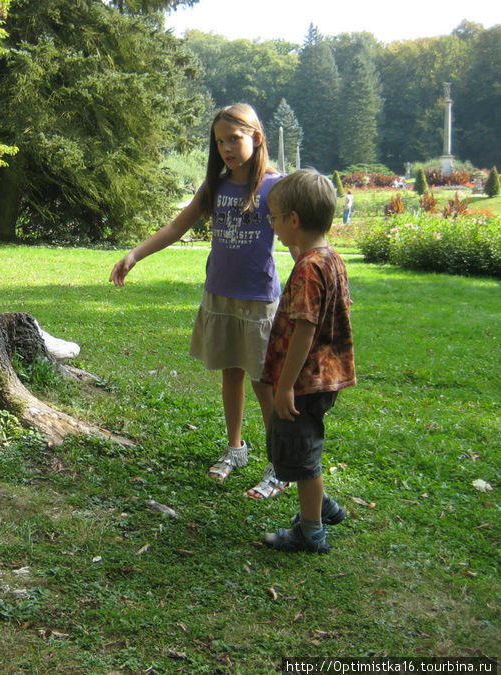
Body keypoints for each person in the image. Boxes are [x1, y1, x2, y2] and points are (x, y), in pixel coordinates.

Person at [110, 103, 289, 499]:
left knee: (264, 383)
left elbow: (302, 228)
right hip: (219, 297)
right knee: (230, 372)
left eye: (234, 139)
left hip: (258, 301)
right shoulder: (216, 186)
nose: (226, 147)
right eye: (220, 140)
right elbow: (177, 225)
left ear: (257, 138)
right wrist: (134, 254)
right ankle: (236, 448)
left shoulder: (276, 187)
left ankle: (281, 464)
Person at [260, 169, 357, 553]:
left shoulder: (309, 269)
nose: (275, 228)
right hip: (326, 375)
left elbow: (305, 329)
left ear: (293, 220)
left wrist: (284, 385)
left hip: (303, 381)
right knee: (304, 446)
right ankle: (320, 505)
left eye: (275, 219)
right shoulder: (330, 258)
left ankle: (311, 531)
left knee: (302, 456)